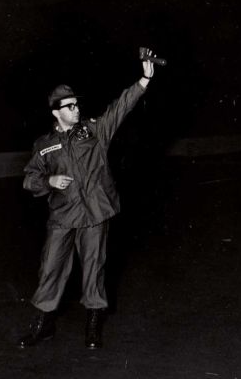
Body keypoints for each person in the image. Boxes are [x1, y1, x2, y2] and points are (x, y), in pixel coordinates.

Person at [17, 48, 158, 349]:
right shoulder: (44, 145)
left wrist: (144, 80)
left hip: (94, 212)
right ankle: (43, 325)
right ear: (56, 112)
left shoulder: (94, 131)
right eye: (69, 107)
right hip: (63, 215)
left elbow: (121, 107)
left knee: (94, 269)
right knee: (51, 267)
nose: (76, 109)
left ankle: (93, 326)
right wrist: (49, 180)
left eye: (76, 104)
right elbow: (29, 178)